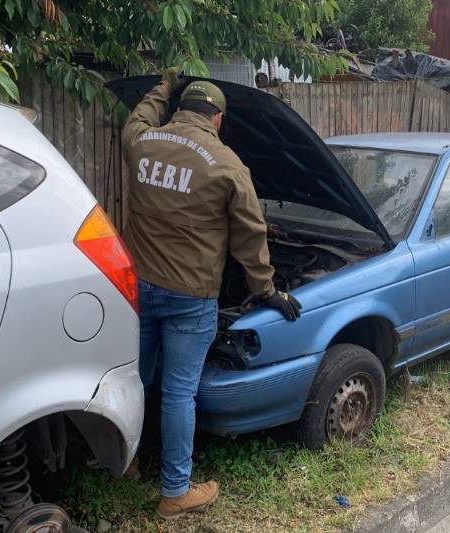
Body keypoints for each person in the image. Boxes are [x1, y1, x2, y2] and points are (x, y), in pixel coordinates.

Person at [121, 69, 302, 519]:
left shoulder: (141, 142)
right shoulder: (226, 165)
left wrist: (162, 86)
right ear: (217, 119)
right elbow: (250, 236)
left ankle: (124, 462)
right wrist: (267, 290)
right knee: (180, 393)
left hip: (138, 287)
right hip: (190, 296)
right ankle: (175, 492)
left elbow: (137, 119)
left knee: (136, 378)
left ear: (179, 109)